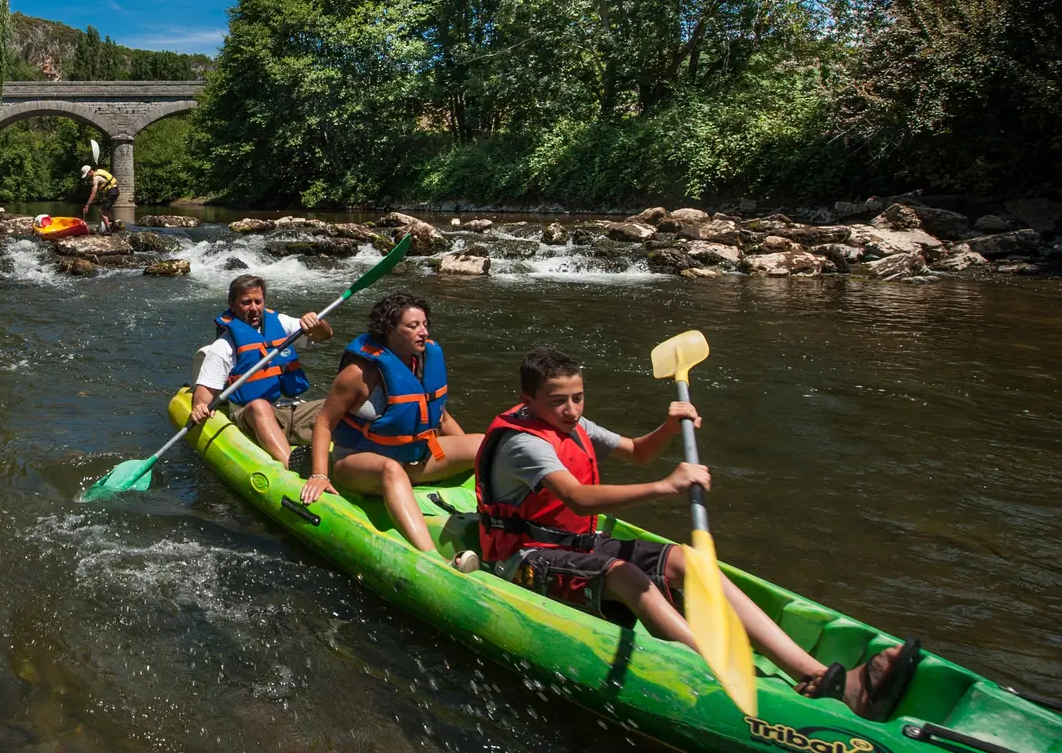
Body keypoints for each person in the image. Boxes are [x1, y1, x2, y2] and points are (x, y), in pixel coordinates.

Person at [474, 347, 921, 720]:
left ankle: (817, 675)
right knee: (629, 576)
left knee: (691, 561)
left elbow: (638, 453)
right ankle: (729, 676)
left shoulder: (572, 424)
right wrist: (665, 487)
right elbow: (577, 498)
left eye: (578, 397)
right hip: (523, 560)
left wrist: (669, 428)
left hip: (576, 544)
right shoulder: (524, 443)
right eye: (559, 401)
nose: (572, 409)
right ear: (528, 400)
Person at [299, 292, 482, 551]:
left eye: (425, 324)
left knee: (484, 444)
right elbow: (324, 423)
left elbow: (439, 415)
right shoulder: (360, 374)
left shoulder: (423, 360)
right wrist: (319, 474)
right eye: (413, 326)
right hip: (358, 464)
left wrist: (466, 458)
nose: (423, 332)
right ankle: (430, 555)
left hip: (414, 459)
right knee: (390, 470)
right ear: (390, 331)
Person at [188, 275, 333, 466]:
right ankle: (293, 465)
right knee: (260, 406)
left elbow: (325, 335)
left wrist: (317, 322)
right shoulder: (224, 345)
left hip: (288, 409)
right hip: (249, 414)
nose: (254, 308)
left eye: (258, 301)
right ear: (232, 305)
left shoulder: (281, 323)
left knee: (338, 402)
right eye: (246, 303)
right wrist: (199, 405)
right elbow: (205, 391)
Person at [79, 164, 119, 233]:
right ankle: (114, 223)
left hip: (111, 192)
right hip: (115, 191)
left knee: (102, 212)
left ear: (90, 171)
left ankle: (109, 231)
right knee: (106, 210)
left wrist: (87, 206)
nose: (87, 177)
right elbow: (105, 185)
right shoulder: (99, 171)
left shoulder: (95, 178)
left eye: (87, 175)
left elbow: (93, 194)